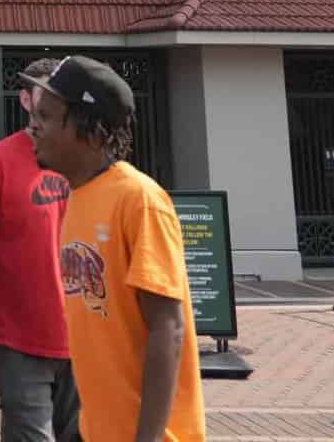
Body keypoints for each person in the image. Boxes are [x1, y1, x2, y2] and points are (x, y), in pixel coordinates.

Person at [24, 55, 204, 442]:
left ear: (89, 129)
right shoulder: (80, 196)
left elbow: (168, 327)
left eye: (47, 115)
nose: (32, 126)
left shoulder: (138, 200)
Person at [0, 57, 78, 442]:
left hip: (89, 340)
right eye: (46, 98)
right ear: (26, 101)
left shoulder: (89, 160)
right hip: (21, 342)